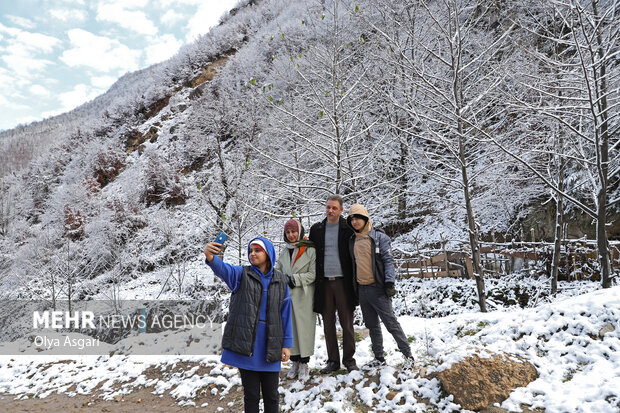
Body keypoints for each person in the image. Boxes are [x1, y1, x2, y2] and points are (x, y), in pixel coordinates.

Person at [204, 237, 293, 413]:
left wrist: (287, 344)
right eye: (250, 250)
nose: (252, 254)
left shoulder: (282, 281)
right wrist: (210, 255)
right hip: (248, 347)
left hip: (271, 345)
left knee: (272, 396)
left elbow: (286, 314)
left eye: (257, 250)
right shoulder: (240, 275)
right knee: (251, 396)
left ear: (268, 254)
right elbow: (222, 268)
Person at [346, 203, 414, 370]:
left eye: (358, 218)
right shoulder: (352, 240)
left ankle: (408, 356)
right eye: (352, 219)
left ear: (365, 219)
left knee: (391, 323)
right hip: (362, 289)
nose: (355, 222)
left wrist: (389, 282)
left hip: (378, 288)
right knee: (372, 326)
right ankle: (379, 357)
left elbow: (388, 261)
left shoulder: (379, 238)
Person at [310, 194, 359, 373]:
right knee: (328, 323)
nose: (330, 211)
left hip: (343, 283)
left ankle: (349, 360)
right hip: (323, 284)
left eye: (334, 208)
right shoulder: (316, 229)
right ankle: (333, 361)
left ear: (341, 210)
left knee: (347, 322)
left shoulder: (348, 229)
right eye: (328, 207)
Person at [275, 219, 316, 381]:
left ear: (300, 232)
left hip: (304, 297)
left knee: (303, 331)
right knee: (290, 330)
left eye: (293, 231)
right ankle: (295, 362)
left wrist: (293, 279)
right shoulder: (285, 252)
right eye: (288, 232)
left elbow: (313, 275)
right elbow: (278, 270)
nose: (291, 235)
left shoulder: (309, 250)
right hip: (287, 297)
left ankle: (304, 364)